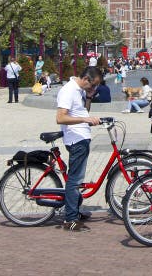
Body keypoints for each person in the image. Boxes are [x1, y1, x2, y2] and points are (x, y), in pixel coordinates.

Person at [55, 66, 103, 231]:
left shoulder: (80, 90)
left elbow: (83, 111)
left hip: (82, 138)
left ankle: (74, 209)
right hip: (76, 140)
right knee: (74, 181)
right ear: (86, 79)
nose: (94, 89)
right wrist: (85, 119)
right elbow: (60, 118)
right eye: (93, 85)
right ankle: (70, 219)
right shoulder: (68, 90)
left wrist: (89, 97)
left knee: (76, 179)